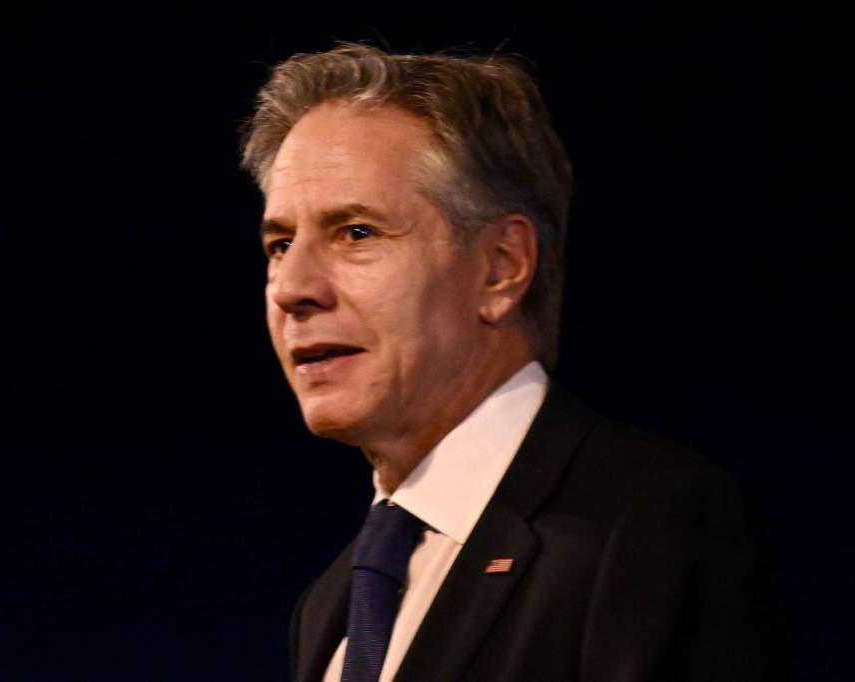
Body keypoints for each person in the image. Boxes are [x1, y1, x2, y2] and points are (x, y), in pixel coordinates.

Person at [239, 43, 790, 682]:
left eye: (356, 232)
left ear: (501, 268)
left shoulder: (649, 527)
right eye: (280, 243)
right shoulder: (331, 603)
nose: (291, 287)